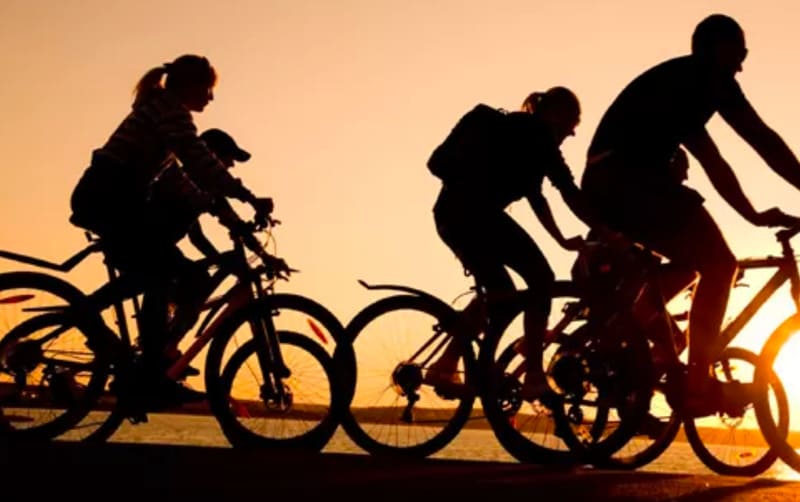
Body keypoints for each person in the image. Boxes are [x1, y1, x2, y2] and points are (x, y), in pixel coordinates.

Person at [580, 14, 800, 417]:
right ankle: (698, 385)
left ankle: (621, 331)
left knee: (689, 266)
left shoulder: (682, 85)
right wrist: (754, 212)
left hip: (606, 183)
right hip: (629, 181)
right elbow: (760, 140)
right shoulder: (707, 80)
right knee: (720, 265)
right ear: (717, 48)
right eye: (740, 52)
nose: (742, 64)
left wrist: (752, 214)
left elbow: (716, 160)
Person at [69, 54, 288, 407]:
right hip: (107, 199)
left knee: (163, 272)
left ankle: (144, 366)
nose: (211, 98)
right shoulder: (170, 112)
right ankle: (138, 359)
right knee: (160, 273)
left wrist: (235, 205)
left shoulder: (162, 119)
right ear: (189, 86)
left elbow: (191, 181)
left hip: (113, 200)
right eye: (208, 89)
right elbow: (199, 160)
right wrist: (247, 195)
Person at [426, 87, 610, 403]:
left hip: (450, 215)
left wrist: (561, 239)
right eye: (571, 126)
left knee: (500, 295)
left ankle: (445, 365)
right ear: (558, 115)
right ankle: (534, 376)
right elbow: (566, 191)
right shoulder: (540, 136)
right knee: (541, 279)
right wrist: (607, 231)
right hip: (477, 217)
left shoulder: (514, 130)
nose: (569, 135)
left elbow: (536, 196)